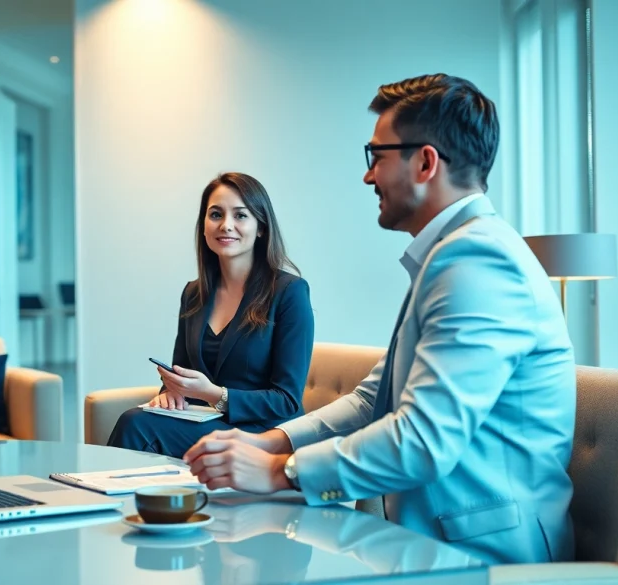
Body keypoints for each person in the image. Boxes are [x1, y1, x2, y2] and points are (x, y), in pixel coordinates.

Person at [183, 74, 577, 565]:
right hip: (424, 541)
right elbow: (374, 399)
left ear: (426, 162)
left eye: (377, 156)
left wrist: (281, 471)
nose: (368, 177)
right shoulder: (452, 256)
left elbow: (423, 442)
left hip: (482, 555)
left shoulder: (478, 263)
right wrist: (268, 442)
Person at [106, 172, 314, 459]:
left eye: (240, 215)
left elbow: (287, 400)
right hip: (207, 421)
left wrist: (214, 394)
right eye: (216, 214)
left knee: (137, 425)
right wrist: (171, 392)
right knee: (137, 420)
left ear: (261, 228)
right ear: (204, 226)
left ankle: (104, 487)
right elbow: (180, 370)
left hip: (265, 432)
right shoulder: (194, 293)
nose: (226, 225)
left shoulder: (289, 291)